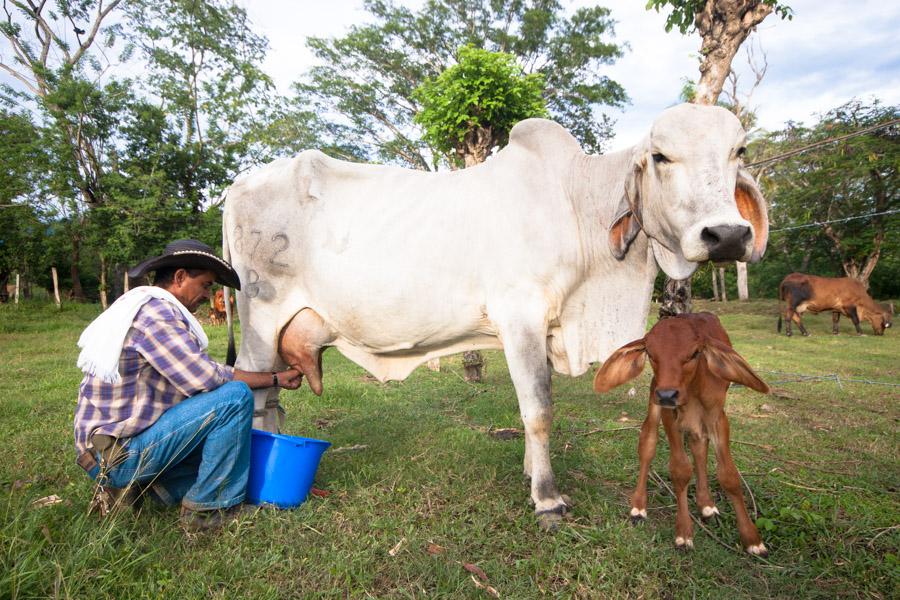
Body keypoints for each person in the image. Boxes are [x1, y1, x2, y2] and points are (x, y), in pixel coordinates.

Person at [73, 239, 301, 531]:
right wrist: (274, 378)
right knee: (233, 398)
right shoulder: (156, 313)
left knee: (230, 458)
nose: (208, 295)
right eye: (205, 285)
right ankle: (208, 511)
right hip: (118, 456)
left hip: (111, 449)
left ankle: (151, 490)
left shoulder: (141, 306)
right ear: (179, 277)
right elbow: (205, 378)